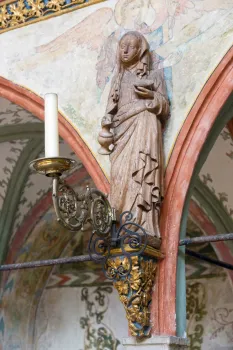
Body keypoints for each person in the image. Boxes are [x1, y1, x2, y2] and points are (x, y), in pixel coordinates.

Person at [98, 31, 169, 243]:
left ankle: (143, 223)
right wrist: (106, 122)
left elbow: (165, 106)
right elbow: (110, 111)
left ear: (140, 50)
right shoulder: (119, 79)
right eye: (122, 46)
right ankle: (121, 222)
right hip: (122, 133)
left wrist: (151, 98)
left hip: (145, 129)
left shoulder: (153, 76)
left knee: (143, 171)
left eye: (131, 46)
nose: (125, 50)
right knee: (120, 178)